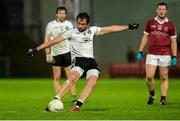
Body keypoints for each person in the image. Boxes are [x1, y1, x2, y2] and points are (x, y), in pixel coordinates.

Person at [28, 12, 139, 111]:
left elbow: (111, 28)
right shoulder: (70, 32)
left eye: (83, 24)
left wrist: (128, 27)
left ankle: (78, 105)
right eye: (78, 23)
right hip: (78, 61)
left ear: (87, 24)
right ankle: (55, 100)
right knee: (73, 77)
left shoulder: (92, 30)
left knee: (93, 81)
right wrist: (36, 49)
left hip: (91, 62)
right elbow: (53, 41)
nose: (80, 26)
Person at [137, 2, 177, 105]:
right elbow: (145, 37)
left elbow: (173, 41)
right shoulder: (150, 22)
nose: (161, 11)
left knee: (164, 77)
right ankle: (152, 94)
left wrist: (174, 56)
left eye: (164, 9)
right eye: (160, 9)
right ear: (156, 10)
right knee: (149, 77)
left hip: (165, 53)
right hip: (152, 53)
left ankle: (163, 99)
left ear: (166, 11)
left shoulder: (170, 24)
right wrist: (140, 50)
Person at [44, 6, 77, 102]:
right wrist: (47, 53)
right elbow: (46, 39)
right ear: (56, 14)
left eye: (63, 13)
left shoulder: (69, 24)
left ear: (66, 14)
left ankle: (74, 98)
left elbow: (73, 38)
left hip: (67, 53)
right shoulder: (50, 25)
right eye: (60, 13)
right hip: (55, 54)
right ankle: (59, 98)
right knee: (57, 77)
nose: (62, 15)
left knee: (71, 76)